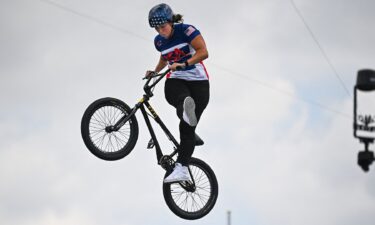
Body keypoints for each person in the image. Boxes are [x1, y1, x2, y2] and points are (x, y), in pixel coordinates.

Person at [146, 3, 210, 183]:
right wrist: (155, 71)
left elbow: (203, 52)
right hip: (178, 80)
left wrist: (184, 64)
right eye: (156, 28)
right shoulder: (159, 41)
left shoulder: (187, 31)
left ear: (171, 22)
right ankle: (186, 110)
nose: (160, 31)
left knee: (185, 130)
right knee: (172, 90)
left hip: (199, 84)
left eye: (163, 26)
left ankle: (182, 167)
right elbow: (164, 56)